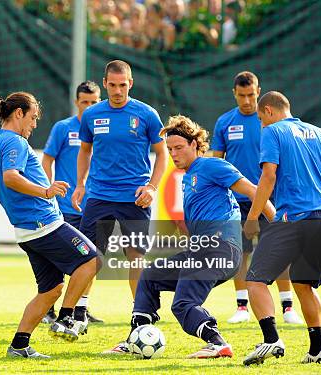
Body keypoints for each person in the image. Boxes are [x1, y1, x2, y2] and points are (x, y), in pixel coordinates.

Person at [106, 114, 276, 357]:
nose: (173, 154)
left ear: (195, 145)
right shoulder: (188, 177)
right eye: (169, 149)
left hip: (219, 248)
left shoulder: (212, 165)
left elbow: (253, 191)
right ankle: (135, 337)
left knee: (183, 305)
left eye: (179, 148)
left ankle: (217, 343)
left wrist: (276, 224)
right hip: (203, 249)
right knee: (150, 276)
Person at [0, 92, 98, 358]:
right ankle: (66, 318)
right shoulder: (15, 142)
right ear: (18, 114)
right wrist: (46, 191)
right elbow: (10, 178)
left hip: (27, 232)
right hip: (43, 224)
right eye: (33, 117)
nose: (34, 124)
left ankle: (19, 346)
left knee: (51, 289)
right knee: (92, 261)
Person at [243, 91, 321, 365]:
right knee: (304, 285)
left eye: (261, 119)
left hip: (292, 217)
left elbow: (269, 175)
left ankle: (271, 340)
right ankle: (317, 351)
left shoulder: (274, 132)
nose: (262, 125)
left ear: (268, 110)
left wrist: (253, 217)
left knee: (254, 279)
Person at [73, 60, 168, 321]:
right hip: (99, 195)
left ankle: (140, 313)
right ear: (104, 84)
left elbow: (162, 154)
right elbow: (84, 151)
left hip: (134, 197)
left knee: (136, 256)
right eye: (112, 85)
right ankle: (79, 310)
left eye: (122, 85)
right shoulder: (92, 115)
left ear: (131, 84)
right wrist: (80, 184)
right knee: (90, 254)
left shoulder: (146, 114)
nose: (117, 91)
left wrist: (152, 187)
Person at [211, 71, 302, 325]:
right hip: (238, 200)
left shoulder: (273, 121)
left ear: (259, 91)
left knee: (280, 250)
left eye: (251, 95)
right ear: (234, 94)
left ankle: (287, 306)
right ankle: (242, 306)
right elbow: (217, 162)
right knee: (240, 252)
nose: (247, 101)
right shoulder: (225, 122)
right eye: (242, 96)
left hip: (274, 197)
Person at [40, 81, 103, 326]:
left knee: (94, 257)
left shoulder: (104, 128)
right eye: (84, 102)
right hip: (67, 206)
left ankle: (81, 308)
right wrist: (49, 191)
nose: (88, 107)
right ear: (76, 102)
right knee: (59, 258)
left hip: (96, 203)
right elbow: (47, 160)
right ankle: (49, 308)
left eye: (94, 102)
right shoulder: (63, 128)